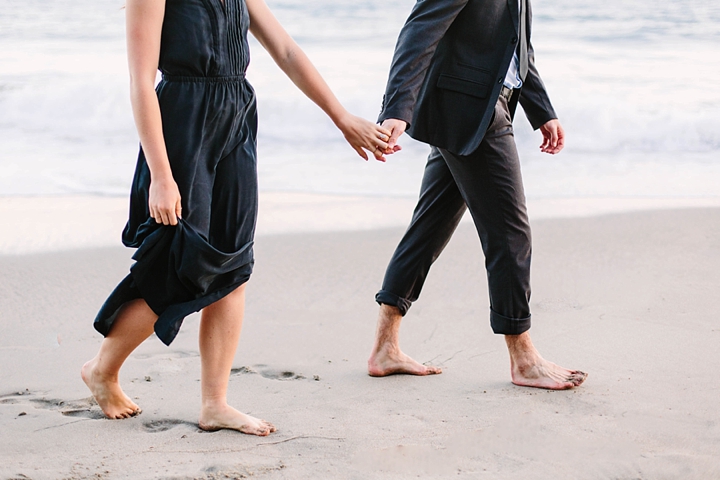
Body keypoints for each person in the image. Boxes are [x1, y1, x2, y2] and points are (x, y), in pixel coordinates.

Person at [82, 0, 392, 435]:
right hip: (183, 126)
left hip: (237, 117)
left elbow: (285, 49)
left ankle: (215, 404)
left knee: (234, 263)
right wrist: (161, 175)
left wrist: (341, 118)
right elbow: (140, 83)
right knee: (181, 261)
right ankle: (102, 368)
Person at [367, 0, 588, 390]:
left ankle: (385, 348)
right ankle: (523, 358)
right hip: (470, 110)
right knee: (509, 231)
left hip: (479, 106)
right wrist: (397, 108)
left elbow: (516, 50)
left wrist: (542, 111)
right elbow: (419, 31)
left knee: (429, 228)